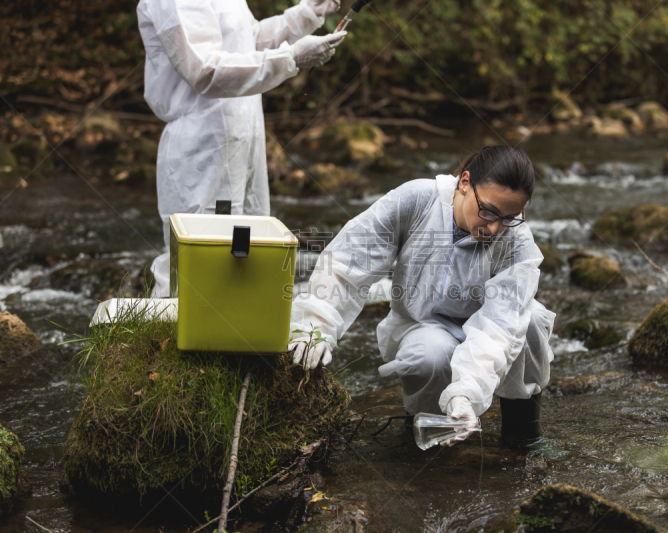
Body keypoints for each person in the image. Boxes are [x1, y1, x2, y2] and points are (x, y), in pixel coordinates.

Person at [289, 145, 556, 448]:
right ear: (465, 183)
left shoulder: (516, 241)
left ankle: (523, 437)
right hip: (423, 323)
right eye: (489, 211)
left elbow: (500, 326)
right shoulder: (417, 201)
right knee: (431, 355)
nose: (494, 227)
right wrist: (316, 326)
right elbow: (347, 263)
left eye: (509, 217)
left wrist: (466, 392)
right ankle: (426, 432)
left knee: (531, 322)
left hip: (488, 327)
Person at [137, 0, 346, 297]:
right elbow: (205, 70)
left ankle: (240, 334)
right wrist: (291, 57)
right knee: (196, 258)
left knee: (249, 251)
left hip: (244, 137)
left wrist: (308, 12)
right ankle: (173, 338)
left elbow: (250, 42)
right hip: (203, 146)